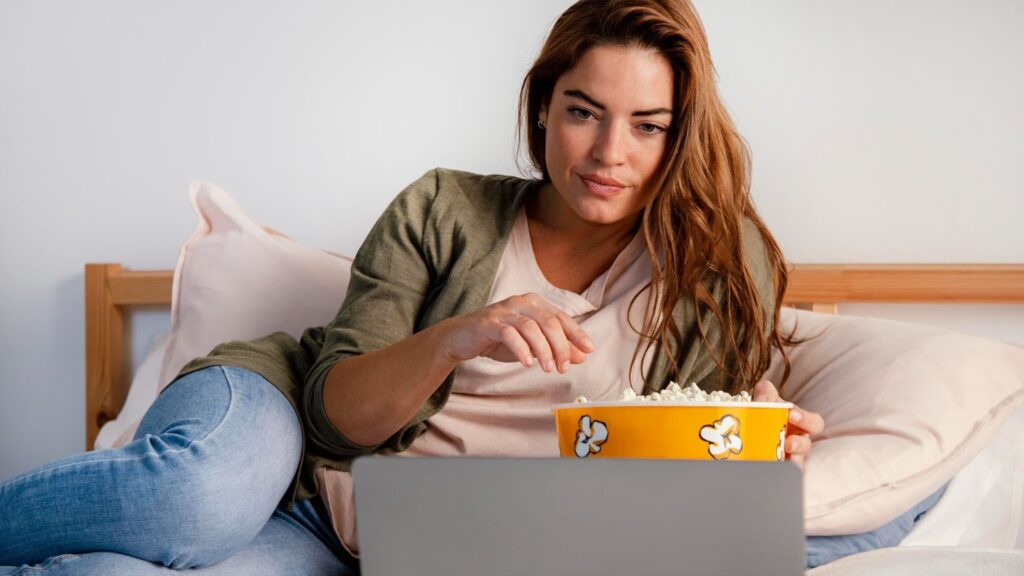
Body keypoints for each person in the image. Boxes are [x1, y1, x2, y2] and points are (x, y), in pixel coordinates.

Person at [0, 0, 825, 574]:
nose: (611, 151)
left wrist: (758, 443)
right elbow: (335, 413)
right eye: (584, 111)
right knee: (196, 501)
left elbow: (694, 477)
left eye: (648, 127)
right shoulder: (444, 208)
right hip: (281, 432)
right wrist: (461, 334)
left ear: (679, 137)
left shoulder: (716, 265)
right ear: (543, 110)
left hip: (364, 549)